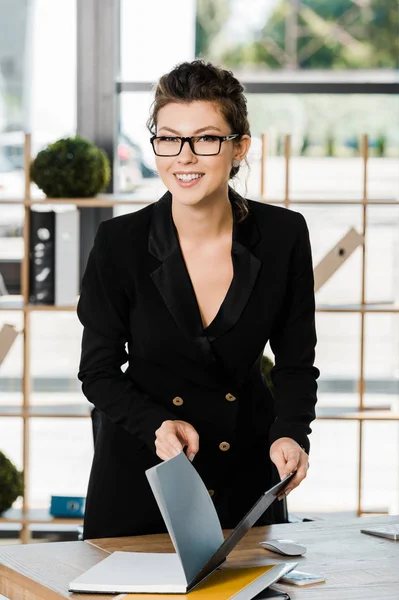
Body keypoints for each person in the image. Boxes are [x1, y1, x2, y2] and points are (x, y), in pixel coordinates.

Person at [77, 60, 320, 540]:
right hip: (145, 468)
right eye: (169, 138)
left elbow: (296, 362)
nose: (184, 157)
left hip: (246, 472)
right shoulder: (118, 241)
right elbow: (98, 372)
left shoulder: (282, 235)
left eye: (206, 138)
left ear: (239, 148)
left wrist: (291, 431)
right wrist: (156, 425)